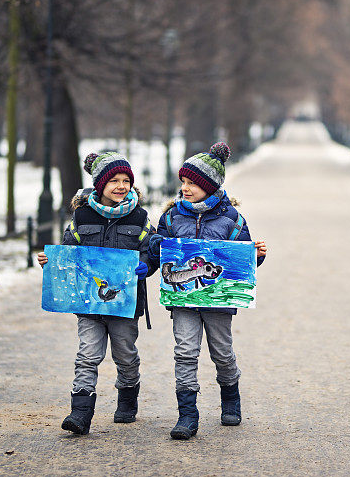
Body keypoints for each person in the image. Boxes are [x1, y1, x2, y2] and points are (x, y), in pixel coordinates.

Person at [152, 142, 267, 440]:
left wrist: (256, 255)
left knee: (222, 353)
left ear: (211, 186)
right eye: (184, 182)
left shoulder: (233, 220)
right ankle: (187, 415)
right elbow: (156, 247)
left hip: (218, 303)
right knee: (185, 352)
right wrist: (155, 246)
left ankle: (231, 398)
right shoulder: (171, 217)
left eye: (193, 183)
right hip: (183, 301)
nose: (186, 188)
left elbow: (243, 263)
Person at [37, 151, 156, 435]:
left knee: (125, 355)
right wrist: (51, 261)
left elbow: (152, 250)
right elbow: (68, 251)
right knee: (87, 355)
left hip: (124, 306)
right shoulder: (81, 216)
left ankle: (128, 396)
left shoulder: (139, 218)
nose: (121, 185)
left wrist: (147, 265)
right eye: (114, 180)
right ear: (100, 184)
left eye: (126, 180)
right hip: (89, 303)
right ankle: (80, 413)